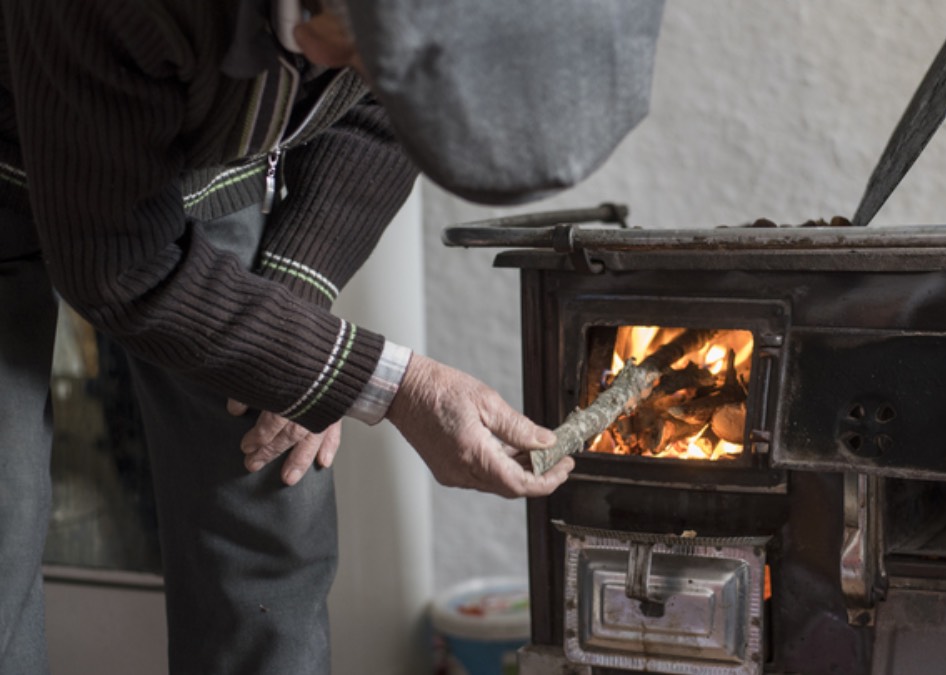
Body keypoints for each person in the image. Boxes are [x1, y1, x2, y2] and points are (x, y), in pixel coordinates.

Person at [0, 0, 663, 673]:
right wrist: (386, 383)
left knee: (265, 491)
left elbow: (380, 118)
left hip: (197, 162)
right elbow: (119, 266)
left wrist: (294, 344)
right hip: (17, 150)